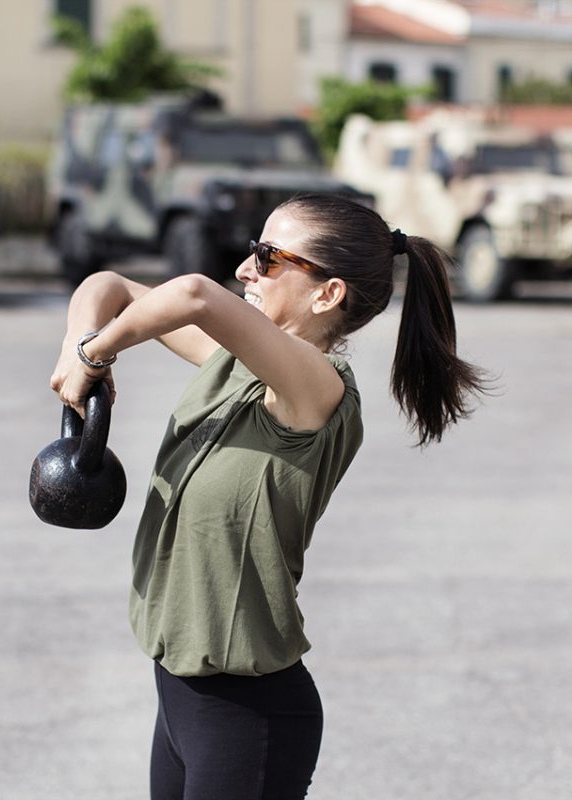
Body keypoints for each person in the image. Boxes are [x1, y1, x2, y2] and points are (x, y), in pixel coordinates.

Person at [48, 193, 488, 800]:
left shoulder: (316, 388)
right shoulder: (230, 366)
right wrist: (79, 344)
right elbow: (110, 286)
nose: (246, 268)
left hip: (248, 715)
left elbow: (196, 294)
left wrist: (96, 353)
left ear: (327, 294)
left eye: (268, 256)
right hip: (180, 693)